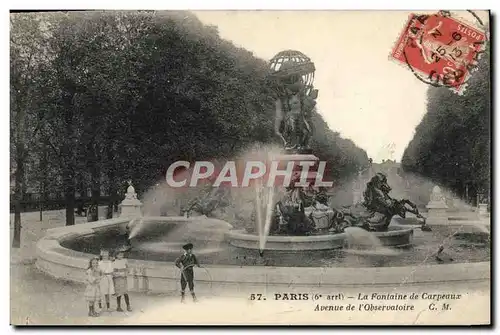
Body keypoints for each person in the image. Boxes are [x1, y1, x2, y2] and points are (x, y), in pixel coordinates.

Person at [113, 248, 132, 312]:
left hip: (123, 279)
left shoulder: (125, 261)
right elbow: (113, 271)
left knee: (125, 292)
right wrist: (117, 274)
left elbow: (128, 269)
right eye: (119, 255)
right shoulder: (114, 262)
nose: (120, 256)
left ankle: (128, 306)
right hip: (117, 279)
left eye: (122, 255)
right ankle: (118, 307)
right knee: (118, 293)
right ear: (116, 255)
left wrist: (126, 273)